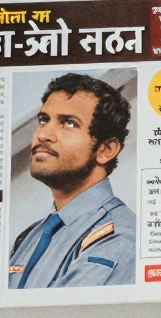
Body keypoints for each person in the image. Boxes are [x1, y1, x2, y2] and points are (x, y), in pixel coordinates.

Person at [8, 73, 136, 288]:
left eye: (68, 123)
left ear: (106, 149)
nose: (44, 134)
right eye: (44, 120)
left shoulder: (119, 237)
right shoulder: (29, 237)